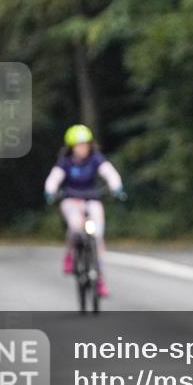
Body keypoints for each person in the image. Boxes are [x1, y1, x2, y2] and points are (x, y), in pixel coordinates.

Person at [43, 124, 126, 297]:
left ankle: (99, 279)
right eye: (79, 145)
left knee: (98, 236)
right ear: (71, 147)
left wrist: (116, 188)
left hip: (92, 199)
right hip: (71, 199)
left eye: (85, 144)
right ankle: (70, 254)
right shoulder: (65, 162)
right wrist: (50, 191)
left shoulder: (95, 158)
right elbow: (54, 178)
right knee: (75, 226)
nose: (82, 148)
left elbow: (110, 173)